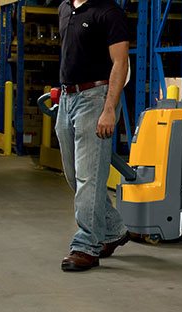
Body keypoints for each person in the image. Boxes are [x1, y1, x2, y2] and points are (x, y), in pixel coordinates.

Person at [57, 0, 133, 272]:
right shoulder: (65, 8)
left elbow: (120, 63)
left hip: (96, 98)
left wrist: (109, 109)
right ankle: (113, 230)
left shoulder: (108, 12)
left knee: (89, 177)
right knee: (73, 173)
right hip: (67, 99)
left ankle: (86, 246)